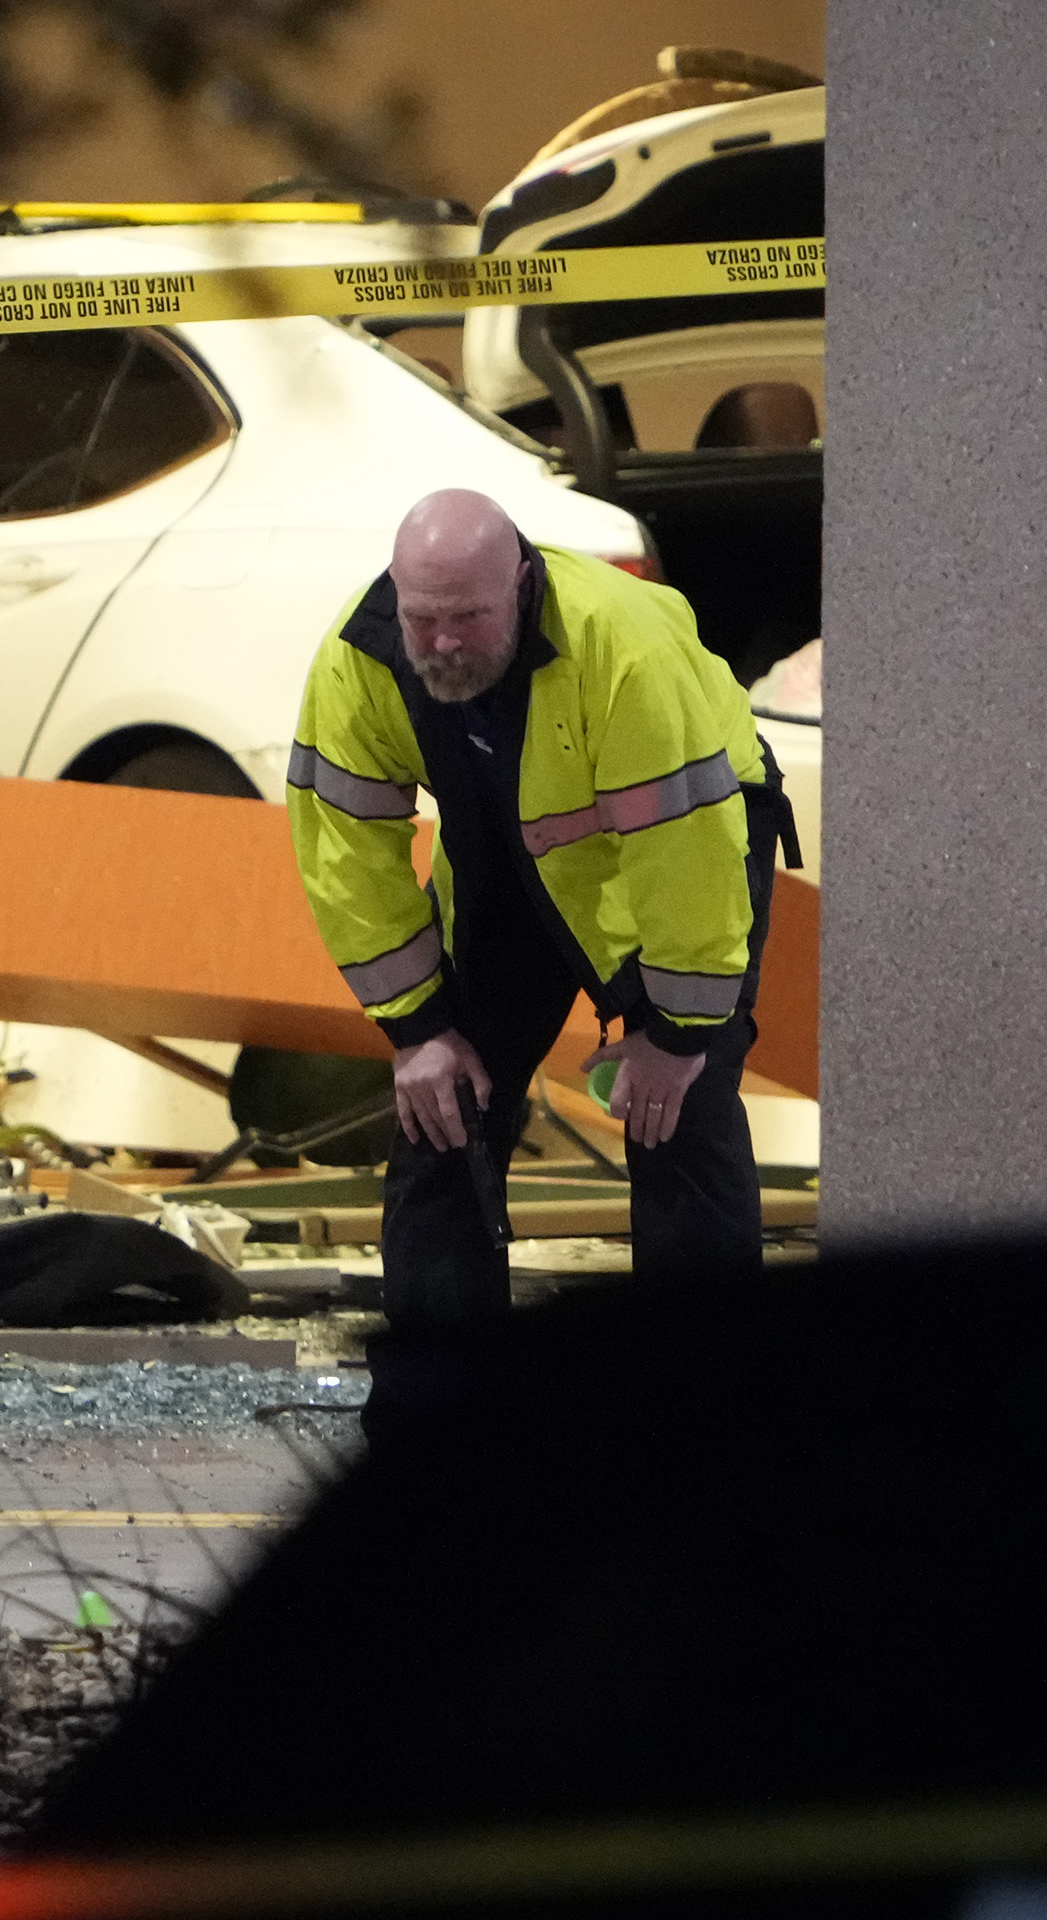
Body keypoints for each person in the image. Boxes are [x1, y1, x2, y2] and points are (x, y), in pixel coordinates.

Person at [288, 490, 794, 1373]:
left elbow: (688, 853)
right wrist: (417, 1029)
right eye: (424, 617)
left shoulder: (622, 650)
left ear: (521, 583)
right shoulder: (357, 659)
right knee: (441, 1117)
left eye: (470, 616)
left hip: (678, 857)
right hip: (507, 862)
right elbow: (345, 848)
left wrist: (676, 1035)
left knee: (680, 1121)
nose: (443, 641)